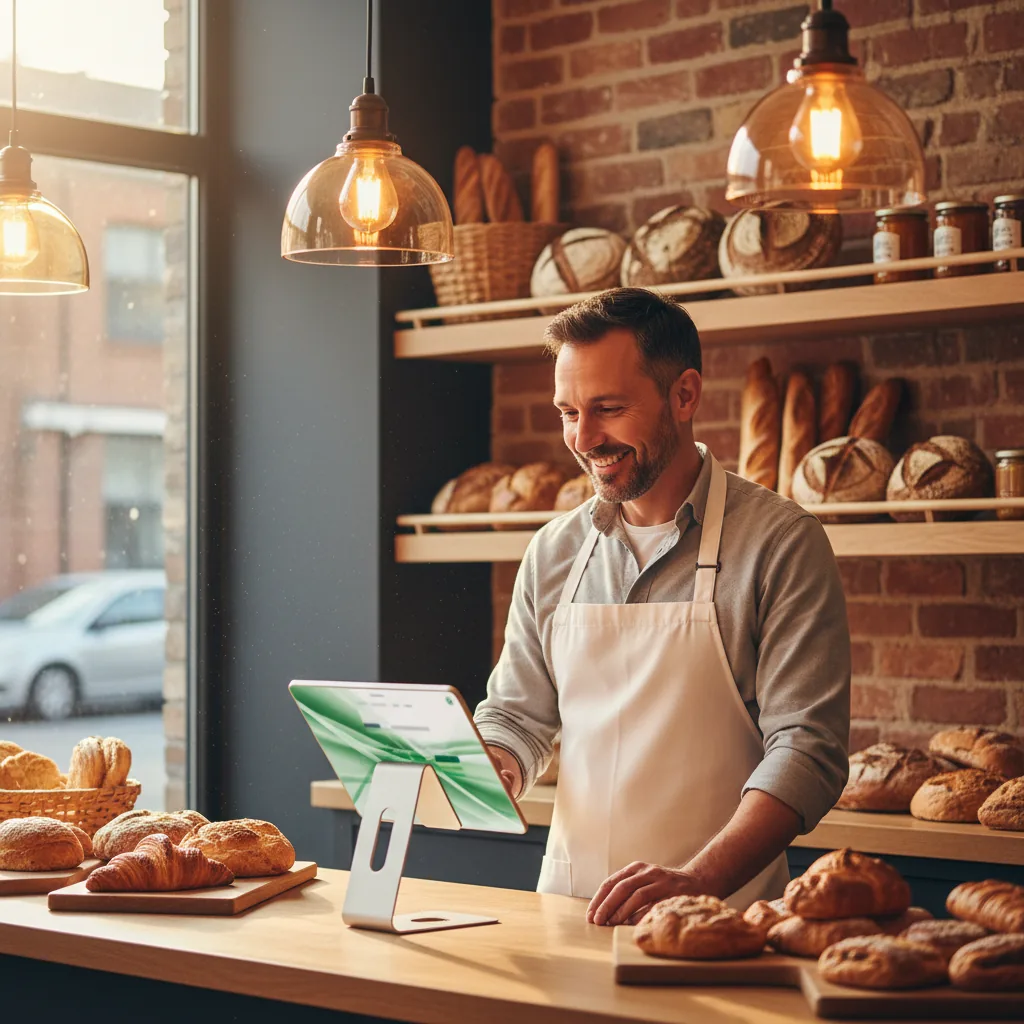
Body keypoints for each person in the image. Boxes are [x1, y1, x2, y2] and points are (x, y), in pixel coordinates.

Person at [475, 287, 850, 927]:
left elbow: (807, 750)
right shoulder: (553, 551)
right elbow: (520, 715)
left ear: (685, 395)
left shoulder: (780, 543)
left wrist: (697, 881)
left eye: (609, 408)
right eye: (568, 411)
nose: (584, 438)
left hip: (723, 918)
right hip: (568, 914)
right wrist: (492, 763)